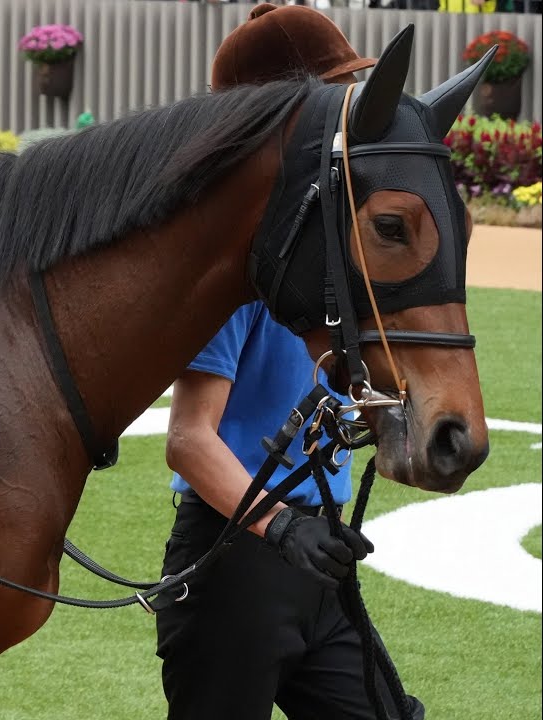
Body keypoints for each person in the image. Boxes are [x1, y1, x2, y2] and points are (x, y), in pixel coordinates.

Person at [156, 5, 424, 719]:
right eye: (330, 101)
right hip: (232, 565)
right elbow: (188, 440)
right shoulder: (229, 283)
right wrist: (280, 526)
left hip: (318, 560)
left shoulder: (321, 259)